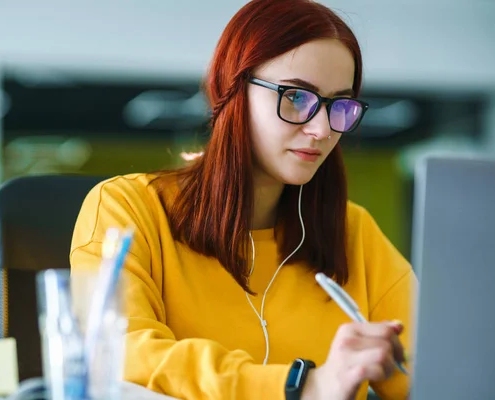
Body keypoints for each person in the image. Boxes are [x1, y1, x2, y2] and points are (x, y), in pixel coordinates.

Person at [70, 0, 417, 399]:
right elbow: (119, 356)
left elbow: (435, 374)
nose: (322, 129)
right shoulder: (126, 209)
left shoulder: (353, 232)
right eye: (297, 97)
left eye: (339, 105)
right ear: (233, 89)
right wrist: (303, 388)